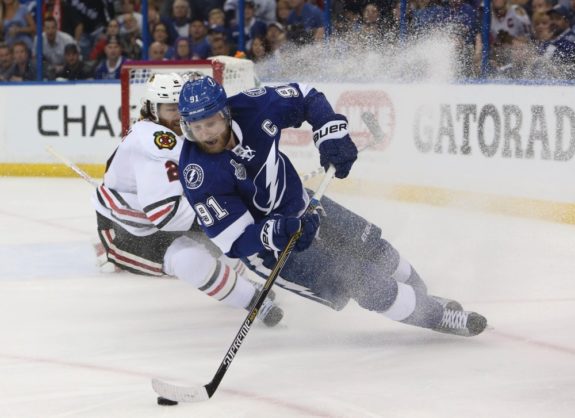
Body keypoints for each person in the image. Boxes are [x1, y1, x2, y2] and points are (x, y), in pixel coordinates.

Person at [177, 76, 488, 338]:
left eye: (211, 123)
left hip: (302, 202)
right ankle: (436, 316)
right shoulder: (199, 175)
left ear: (226, 113)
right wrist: (281, 231)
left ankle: (425, 297)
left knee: (377, 249)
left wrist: (330, 133)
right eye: (196, 127)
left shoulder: (254, 106)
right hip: (272, 250)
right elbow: (234, 242)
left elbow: (307, 96)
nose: (206, 135)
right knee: (361, 279)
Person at [93, 72, 283, 327]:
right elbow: (165, 214)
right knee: (187, 258)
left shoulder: (188, 129)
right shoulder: (153, 142)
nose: (179, 115)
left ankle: (243, 282)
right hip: (129, 231)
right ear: (152, 109)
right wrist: (224, 212)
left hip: (167, 212)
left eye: (180, 107)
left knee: (224, 233)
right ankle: (253, 300)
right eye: (171, 108)